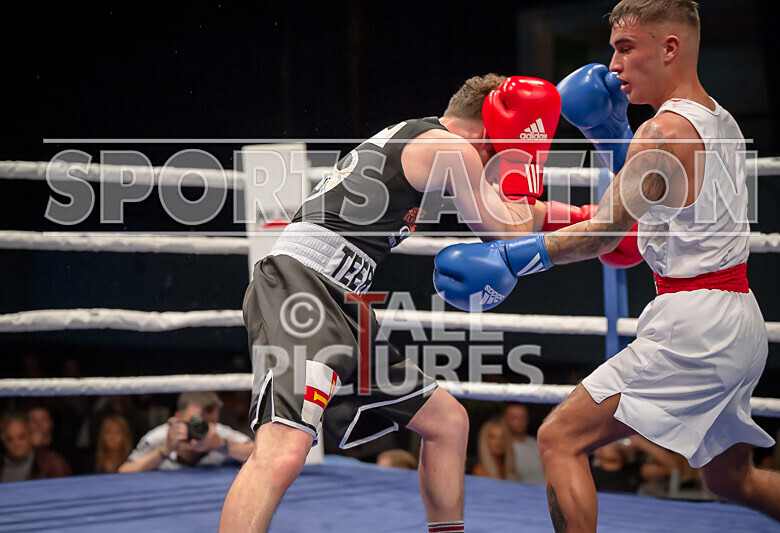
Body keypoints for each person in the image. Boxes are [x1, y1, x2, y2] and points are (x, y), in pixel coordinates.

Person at [433, 1, 780, 530]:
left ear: (669, 48)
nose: (614, 65)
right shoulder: (718, 119)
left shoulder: (660, 133)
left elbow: (607, 232)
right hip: (740, 321)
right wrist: (610, 131)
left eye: (626, 48)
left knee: (559, 438)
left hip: (694, 326)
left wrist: (511, 257)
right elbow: (654, 197)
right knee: (732, 479)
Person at [218, 73, 578, 533]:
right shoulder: (452, 150)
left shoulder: (426, 140)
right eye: (503, 151)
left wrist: (593, 218)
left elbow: (512, 212)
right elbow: (506, 234)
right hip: (301, 288)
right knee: (283, 449)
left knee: (448, 423)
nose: (496, 167)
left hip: (343, 301)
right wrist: (524, 165)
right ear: (491, 133)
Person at [119, 391, 253, 473]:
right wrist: (164, 450)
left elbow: (257, 452)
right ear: (178, 417)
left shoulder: (219, 434)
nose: (203, 429)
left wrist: (221, 445)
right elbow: (125, 471)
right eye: (196, 422)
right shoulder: (160, 437)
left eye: (209, 424)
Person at [0, 415, 71, 482]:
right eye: (10, 439)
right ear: (4, 441)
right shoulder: (2, 464)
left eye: (21, 437)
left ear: (30, 437)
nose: (15, 443)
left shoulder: (53, 463)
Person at [502, 403, 545, 484]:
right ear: (504, 419)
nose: (520, 422)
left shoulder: (536, 443)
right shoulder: (501, 448)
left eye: (523, 417)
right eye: (515, 418)